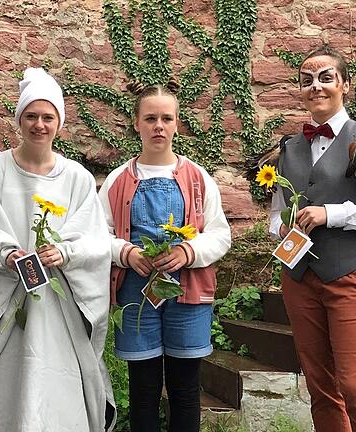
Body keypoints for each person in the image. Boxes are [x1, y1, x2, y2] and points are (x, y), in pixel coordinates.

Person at [0, 68, 115, 432]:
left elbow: (96, 241)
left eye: (48, 117)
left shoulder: (78, 178)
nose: (39, 125)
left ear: (59, 123)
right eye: (31, 116)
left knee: (54, 377)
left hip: (59, 306)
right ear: (19, 120)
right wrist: (6, 254)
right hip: (7, 299)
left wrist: (65, 254)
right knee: (6, 380)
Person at [268, 46, 356, 432]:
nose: (316, 86)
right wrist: (282, 228)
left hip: (352, 275)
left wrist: (333, 213)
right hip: (299, 279)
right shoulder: (286, 148)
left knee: (354, 385)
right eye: (306, 80)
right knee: (321, 387)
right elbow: (275, 214)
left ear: (345, 85)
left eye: (326, 77)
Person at [98, 81, 231, 432]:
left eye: (166, 118)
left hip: (188, 296)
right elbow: (98, 235)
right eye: (151, 118)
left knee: (185, 387)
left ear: (177, 123)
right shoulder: (116, 181)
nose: (159, 125)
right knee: (143, 387)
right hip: (134, 295)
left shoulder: (199, 179)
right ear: (136, 123)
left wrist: (189, 250)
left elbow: (220, 235)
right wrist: (125, 253)